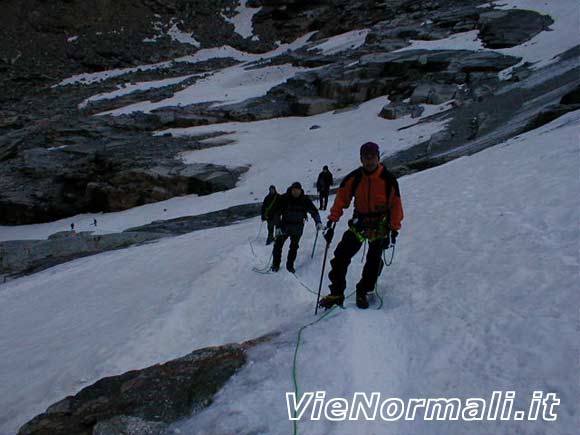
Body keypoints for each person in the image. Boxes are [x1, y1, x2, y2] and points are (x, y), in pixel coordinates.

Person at [318, 142, 404, 309]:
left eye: (372, 157)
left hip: (381, 226)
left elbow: (396, 205)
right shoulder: (354, 178)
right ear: (361, 159)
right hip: (360, 223)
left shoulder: (388, 180)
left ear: (378, 157)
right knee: (341, 256)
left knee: (373, 260)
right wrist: (332, 221)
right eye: (366, 157)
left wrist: (394, 229)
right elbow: (341, 199)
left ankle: (363, 291)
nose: (369, 161)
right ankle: (336, 293)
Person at [270, 182, 322, 273]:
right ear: (291, 189)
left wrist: (318, 222)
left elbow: (314, 212)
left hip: (298, 228)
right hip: (284, 226)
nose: (296, 192)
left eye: (297, 190)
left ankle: (290, 266)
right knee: (278, 245)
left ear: (300, 190)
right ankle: (275, 265)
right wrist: (277, 226)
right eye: (294, 190)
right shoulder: (284, 198)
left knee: (294, 247)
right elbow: (277, 213)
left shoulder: (305, 200)